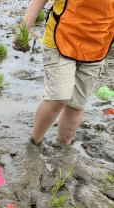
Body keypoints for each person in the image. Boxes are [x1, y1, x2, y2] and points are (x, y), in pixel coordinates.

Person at [24, 0, 113, 146]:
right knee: (58, 97)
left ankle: (63, 147)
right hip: (61, 37)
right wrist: (25, 26)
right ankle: (34, 143)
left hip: (98, 45)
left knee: (77, 104)